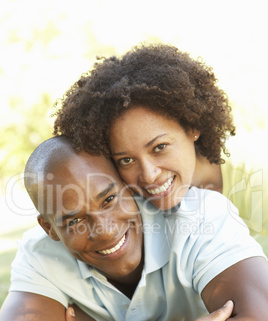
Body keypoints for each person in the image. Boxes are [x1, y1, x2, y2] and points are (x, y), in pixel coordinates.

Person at [1, 136, 268, 321]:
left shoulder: (198, 215)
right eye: (75, 221)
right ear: (49, 228)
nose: (105, 231)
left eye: (109, 200)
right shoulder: (41, 253)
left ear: (128, 186)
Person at [52, 43, 268, 255]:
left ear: (192, 126)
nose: (149, 174)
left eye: (160, 147)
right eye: (126, 160)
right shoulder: (122, 199)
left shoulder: (256, 177)